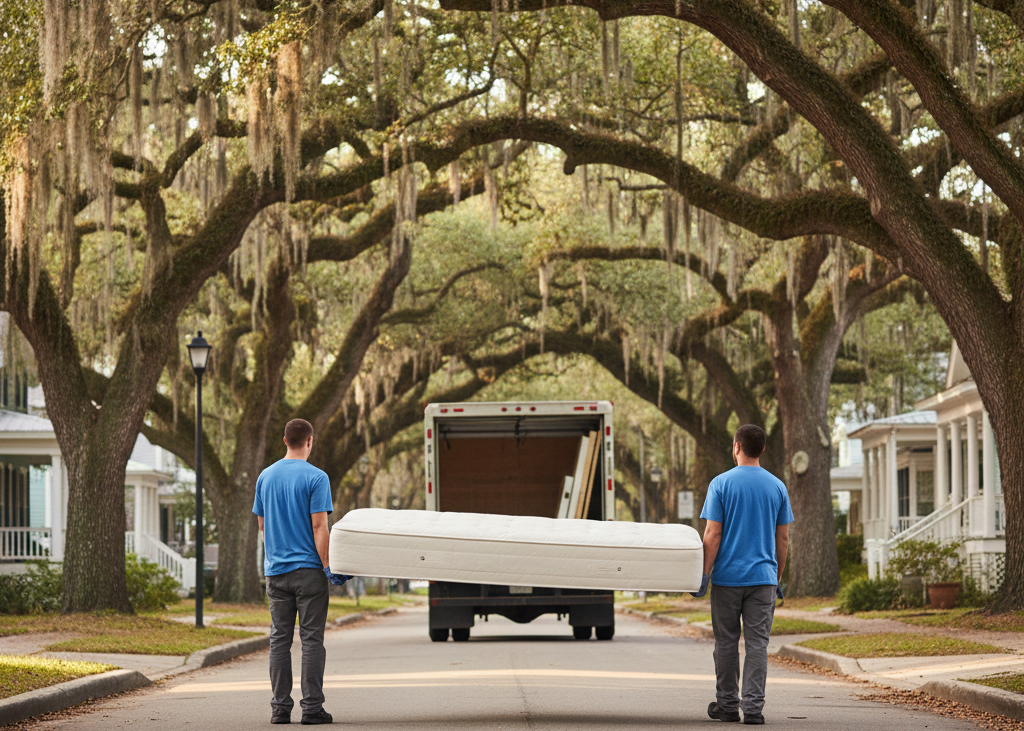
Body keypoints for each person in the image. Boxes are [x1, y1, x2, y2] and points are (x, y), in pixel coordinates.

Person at [690, 424, 794, 725]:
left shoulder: (721, 484)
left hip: (727, 579)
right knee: (758, 644)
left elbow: (712, 532)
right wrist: (776, 577)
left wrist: (704, 575)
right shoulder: (777, 487)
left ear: (737, 447)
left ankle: (726, 706)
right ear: (761, 449)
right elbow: (783, 539)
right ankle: (753, 709)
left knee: (726, 643)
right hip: (763, 579)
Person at [253, 418, 350, 725]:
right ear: (310, 441)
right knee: (311, 640)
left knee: (279, 640)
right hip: (309, 572)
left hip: (276, 572)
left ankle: (280, 709)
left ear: (285, 441)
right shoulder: (317, 477)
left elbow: (263, 525)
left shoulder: (265, 477)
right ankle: (312, 708)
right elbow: (320, 525)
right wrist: (327, 565)